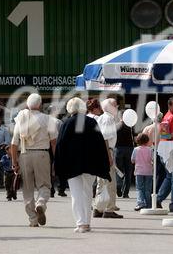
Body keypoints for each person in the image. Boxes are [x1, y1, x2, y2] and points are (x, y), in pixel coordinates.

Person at [55, 97, 110, 233]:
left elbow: (60, 145)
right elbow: (100, 144)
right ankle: (87, 222)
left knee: (76, 194)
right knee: (87, 193)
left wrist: (58, 164)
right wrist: (104, 163)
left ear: (69, 109)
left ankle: (81, 223)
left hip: (72, 165)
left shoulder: (66, 123)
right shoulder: (92, 122)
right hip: (90, 164)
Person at [11, 93, 57, 227]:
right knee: (44, 185)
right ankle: (41, 203)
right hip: (42, 154)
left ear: (27, 105)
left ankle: (33, 219)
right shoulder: (48, 119)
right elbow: (54, 143)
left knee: (27, 188)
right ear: (40, 105)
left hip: (24, 155)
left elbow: (14, 144)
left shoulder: (20, 119)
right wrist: (56, 160)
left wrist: (14, 162)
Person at [93, 98, 123, 219]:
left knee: (102, 181)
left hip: (102, 152)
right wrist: (109, 156)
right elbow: (105, 138)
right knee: (110, 182)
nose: (117, 107)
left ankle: (98, 208)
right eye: (115, 105)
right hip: (106, 151)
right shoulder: (108, 118)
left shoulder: (102, 118)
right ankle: (109, 209)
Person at [156, 96, 173, 212]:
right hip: (171, 151)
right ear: (169, 105)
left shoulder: (165, 116)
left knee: (169, 177)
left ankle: (158, 199)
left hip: (164, 150)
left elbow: (164, 135)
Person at [132, 133, 153, 211]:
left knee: (139, 188)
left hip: (139, 171)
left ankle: (141, 203)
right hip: (148, 171)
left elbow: (132, 160)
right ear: (147, 141)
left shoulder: (136, 149)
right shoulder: (150, 149)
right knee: (148, 189)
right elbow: (153, 159)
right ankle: (148, 204)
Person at [115, 121, 135, 198]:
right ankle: (125, 192)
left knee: (119, 170)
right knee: (128, 171)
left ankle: (118, 186)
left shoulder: (116, 126)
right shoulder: (130, 126)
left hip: (119, 148)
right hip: (129, 149)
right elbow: (133, 138)